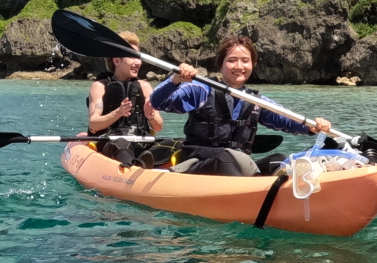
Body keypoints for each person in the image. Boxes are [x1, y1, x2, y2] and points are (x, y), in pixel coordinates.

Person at [150, 35, 332, 177]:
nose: (239, 66)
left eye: (245, 60)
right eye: (232, 60)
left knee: (281, 160)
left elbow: (285, 119)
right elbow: (158, 102)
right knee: (226, 156)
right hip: (200, 162)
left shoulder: (256, 101)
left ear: (253, 64)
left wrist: (311, 126)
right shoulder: (200, 89)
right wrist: (175, 79)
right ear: (220, 65)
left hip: (237, 164)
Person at [85, 31, 169, 167]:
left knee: (178, 144)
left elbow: (158, 126)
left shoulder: (145, 86)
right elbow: (93, 125)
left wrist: (151, 116)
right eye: (132, 57)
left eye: (138, 57)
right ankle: (132, 167)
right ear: (117, 61)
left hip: (142, 141)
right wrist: (118, 113)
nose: (138, 62)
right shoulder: (100, 86)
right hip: (113, 140)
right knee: (121, 144)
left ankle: (142, 162)